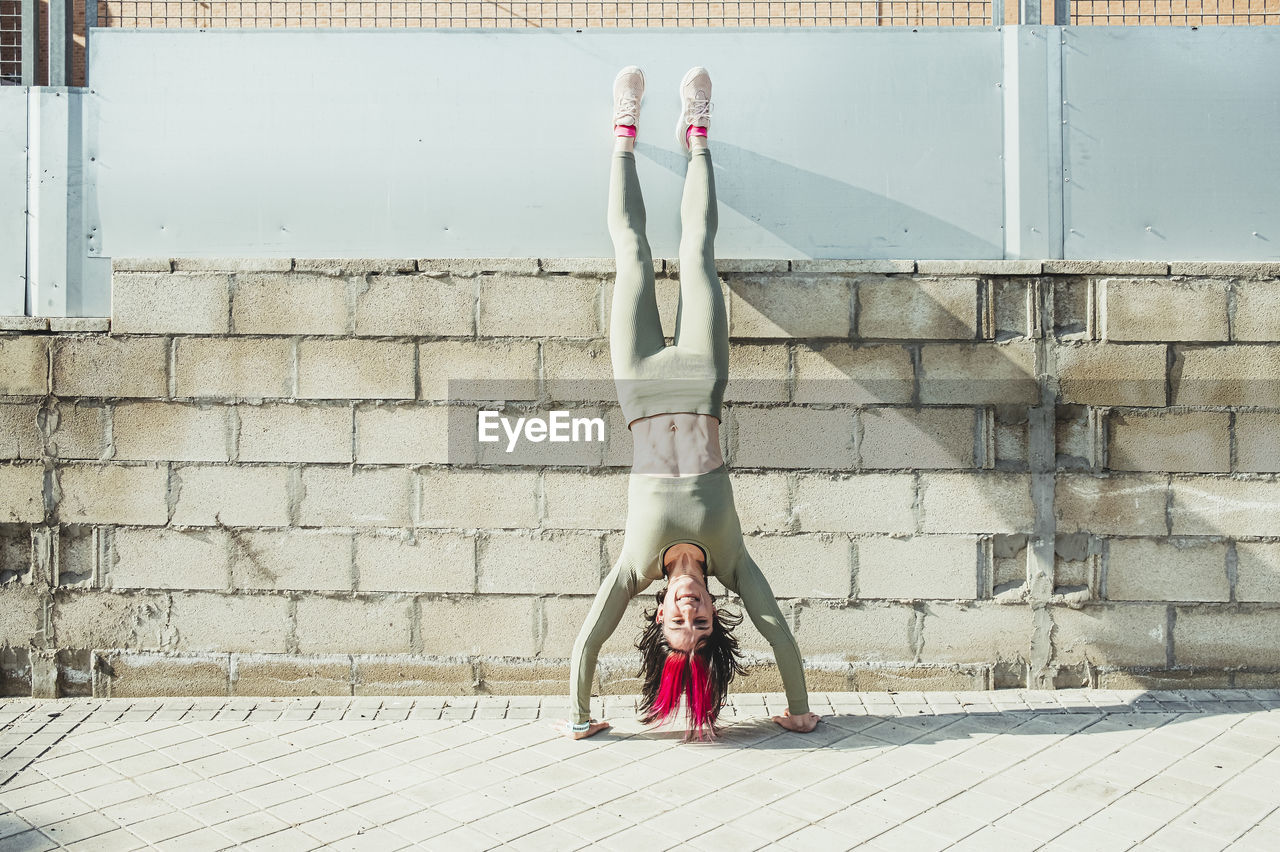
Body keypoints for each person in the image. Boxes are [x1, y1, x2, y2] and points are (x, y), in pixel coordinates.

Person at [561, 66, 822, 741]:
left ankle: (625, 134)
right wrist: (797, 709)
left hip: (642, 383)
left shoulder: (635, 566)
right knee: (700, 254)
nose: (691, 613)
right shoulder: (732, 563)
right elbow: (777, 630)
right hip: (704, 381)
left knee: (634, 257)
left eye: (679, 623)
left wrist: (579, 716)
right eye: (702, 623)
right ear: (712, 614)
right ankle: (698, 133)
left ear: (657, 618)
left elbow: (587, 641)